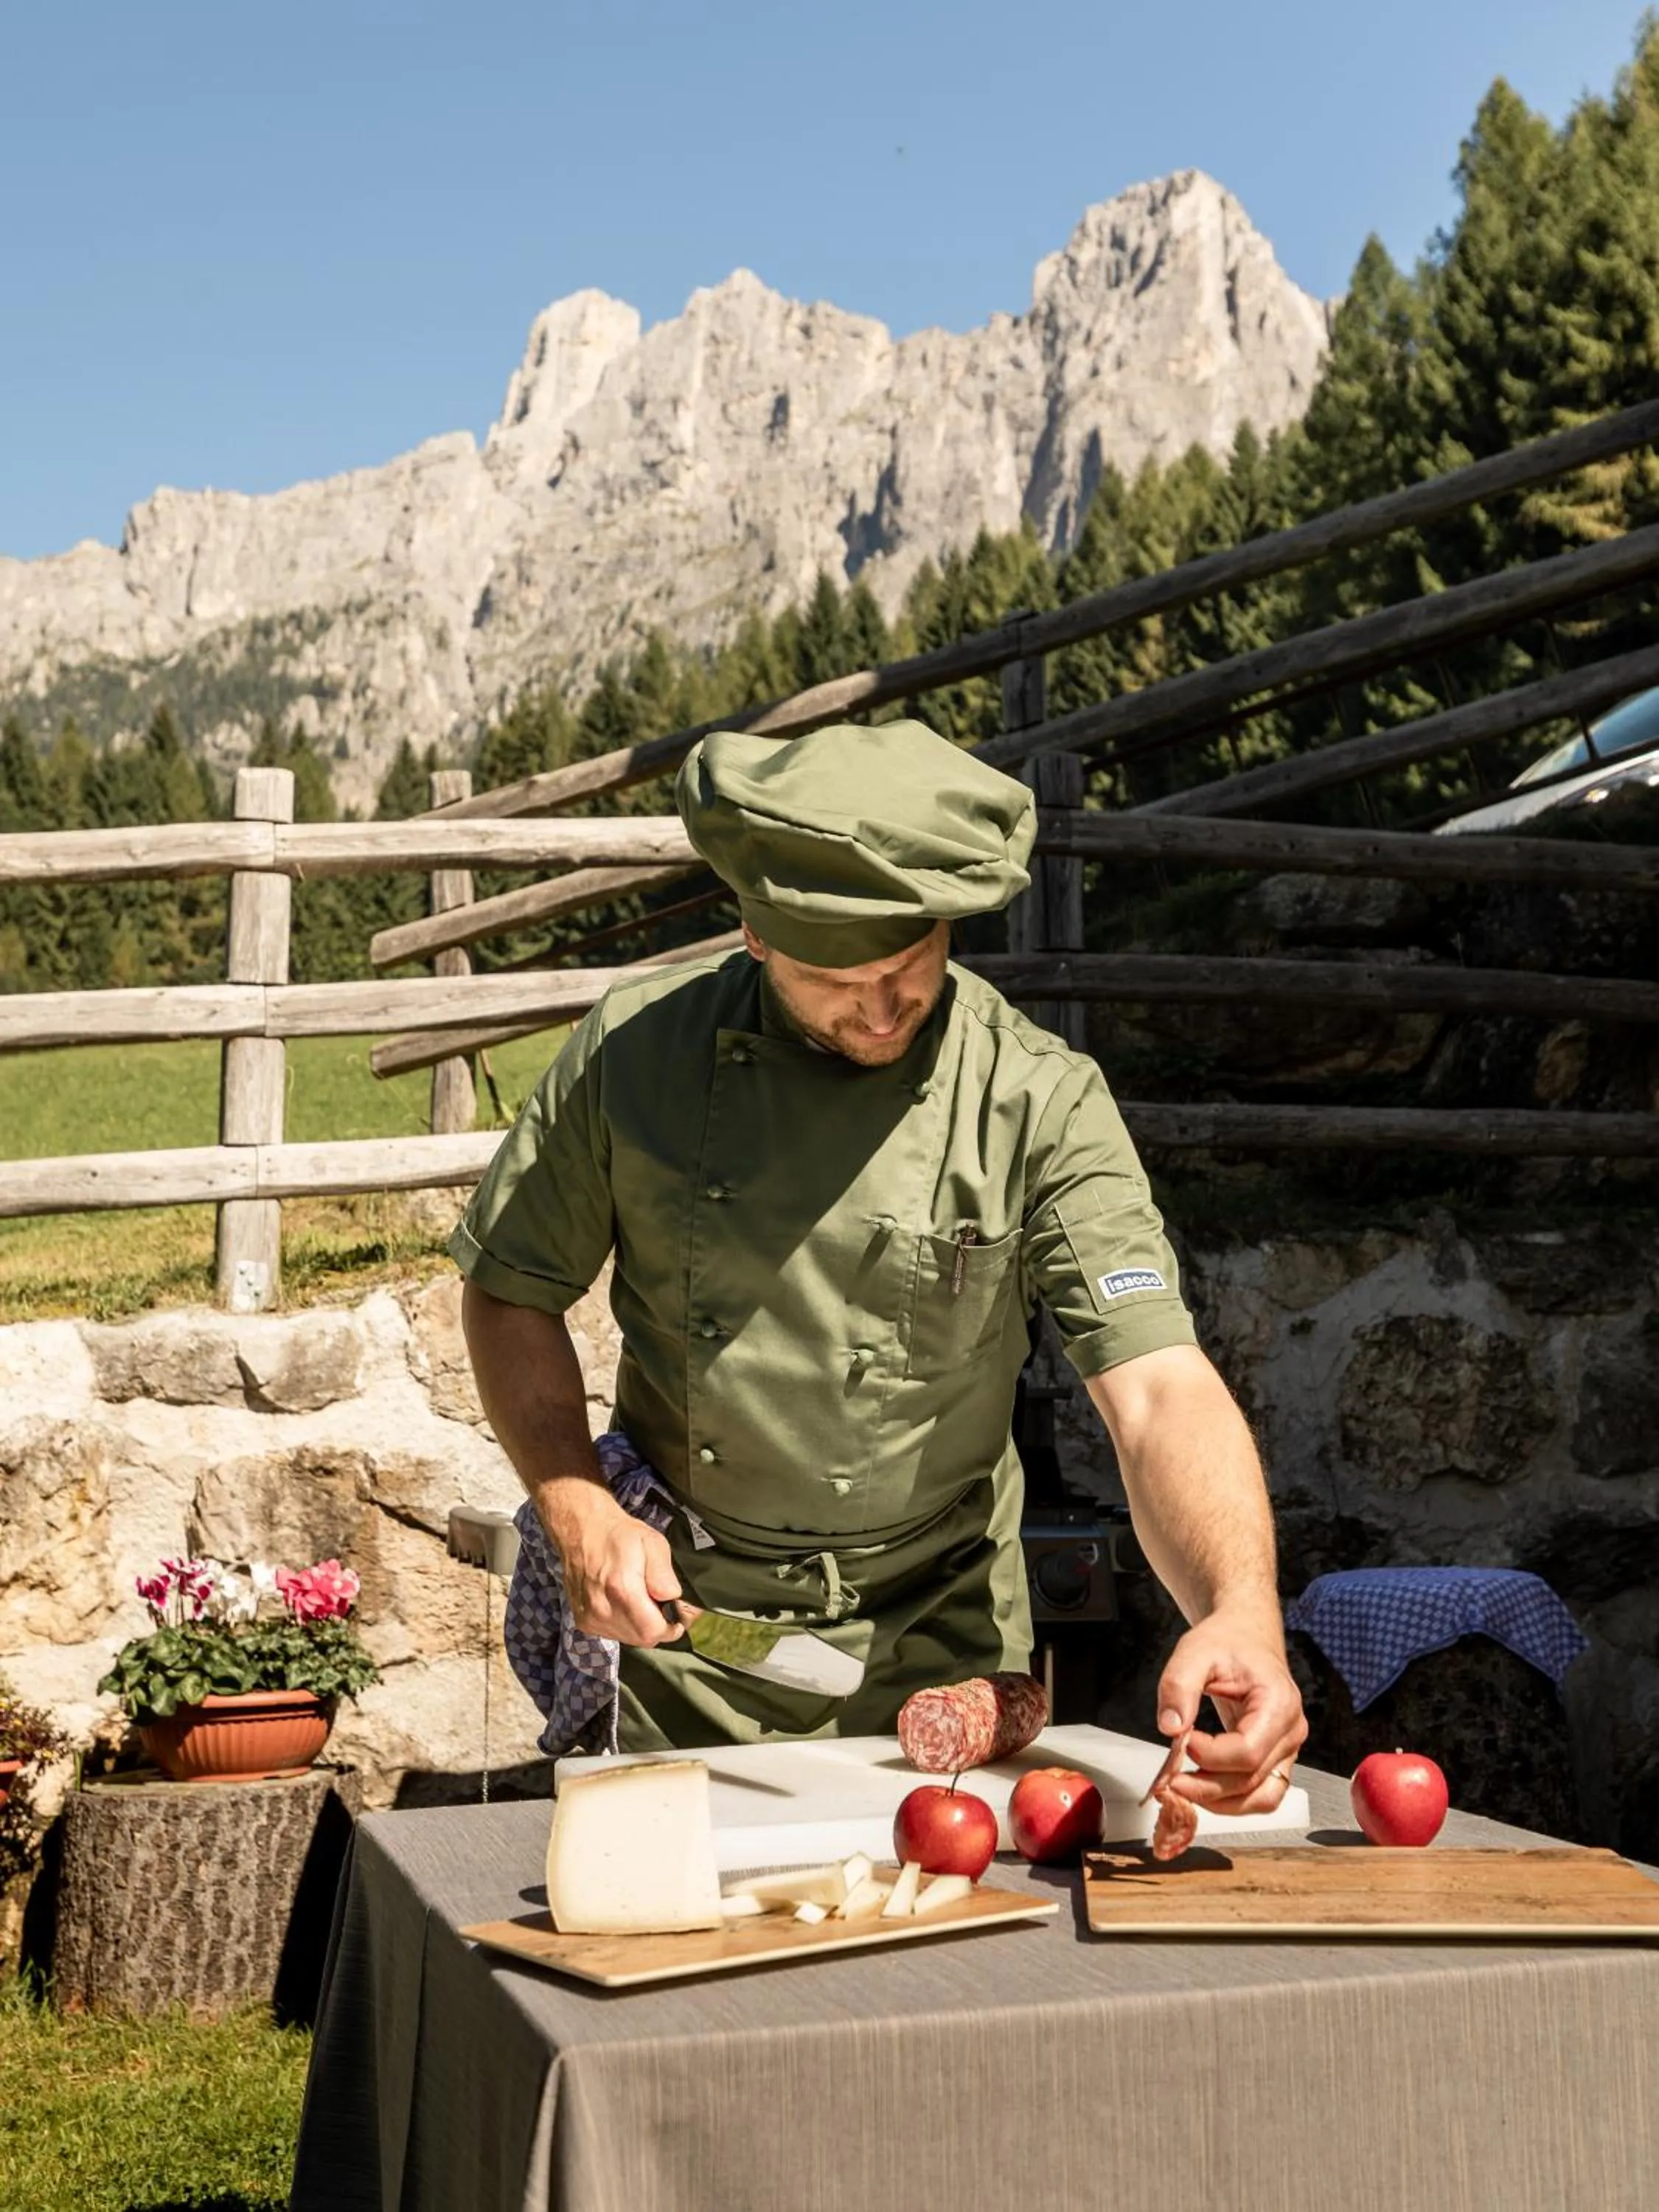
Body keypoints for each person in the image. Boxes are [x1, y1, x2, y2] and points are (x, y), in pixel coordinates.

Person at [453, 718, 1305, 1820]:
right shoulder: (634, 1058)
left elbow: (1154, 1388)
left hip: (943, 1630)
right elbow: (510, 1289)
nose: (884, 1005)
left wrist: (1238, 1607)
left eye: (911, 965)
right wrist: (575, 1507)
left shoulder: (1035, 1098)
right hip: (694, 1629)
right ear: (753, 938)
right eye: (834, 978)